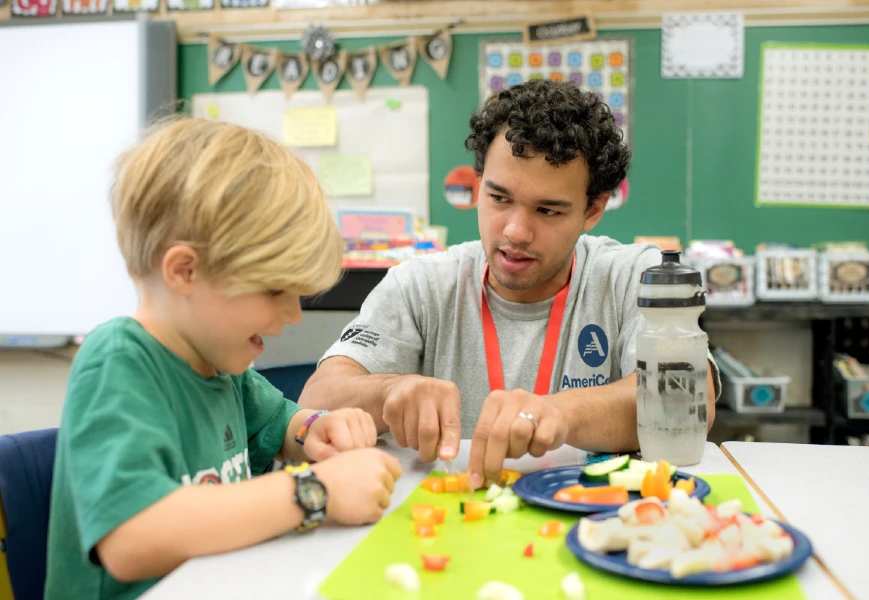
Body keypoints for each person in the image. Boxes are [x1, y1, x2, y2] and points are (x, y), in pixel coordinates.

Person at [45, 118, 402, 600]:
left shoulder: (221, 365)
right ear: (184, 271)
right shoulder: (118, 363)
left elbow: (280, 422)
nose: (292, 314)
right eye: (275, 289)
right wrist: (315, 491)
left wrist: (316, 430)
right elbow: (130, 539)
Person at [301, 79, 719, 490]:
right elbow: (316, 397)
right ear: (479, 183)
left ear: (593, 209)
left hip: (591, 520)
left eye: (548, 210)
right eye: (499, 198)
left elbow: (689, 398)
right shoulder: (421, 284)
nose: (516, 232)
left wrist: (560, 414)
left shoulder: (634, 277)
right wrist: (390, 391)